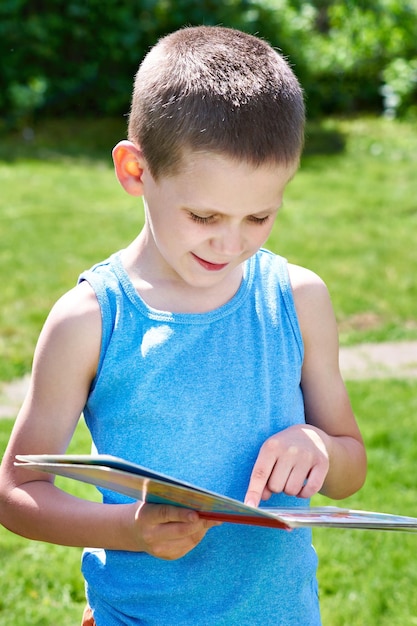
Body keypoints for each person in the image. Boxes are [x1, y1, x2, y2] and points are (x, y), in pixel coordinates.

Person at [0, 25, 366, 626]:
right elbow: (18, 494)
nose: (230, 242)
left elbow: (351, 468)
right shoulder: (91, 320)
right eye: (204, 215)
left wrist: (321, 448)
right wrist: (128, 528)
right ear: (135, 171)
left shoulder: (298, 299)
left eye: (260, 216)